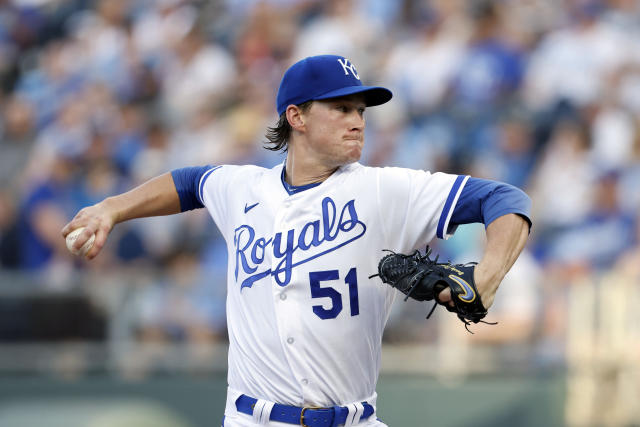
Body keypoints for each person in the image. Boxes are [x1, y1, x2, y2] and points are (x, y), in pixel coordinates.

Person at [62, 54, 531, 427]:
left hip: (354, 418)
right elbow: (188, 183)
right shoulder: (242, 188)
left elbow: (505, 198)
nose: (358, 121)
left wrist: (487, 275)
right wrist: (112, 207)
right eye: (341, 108)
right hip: (252, 418)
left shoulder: (385, 190)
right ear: (296, 117)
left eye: (361, 111)